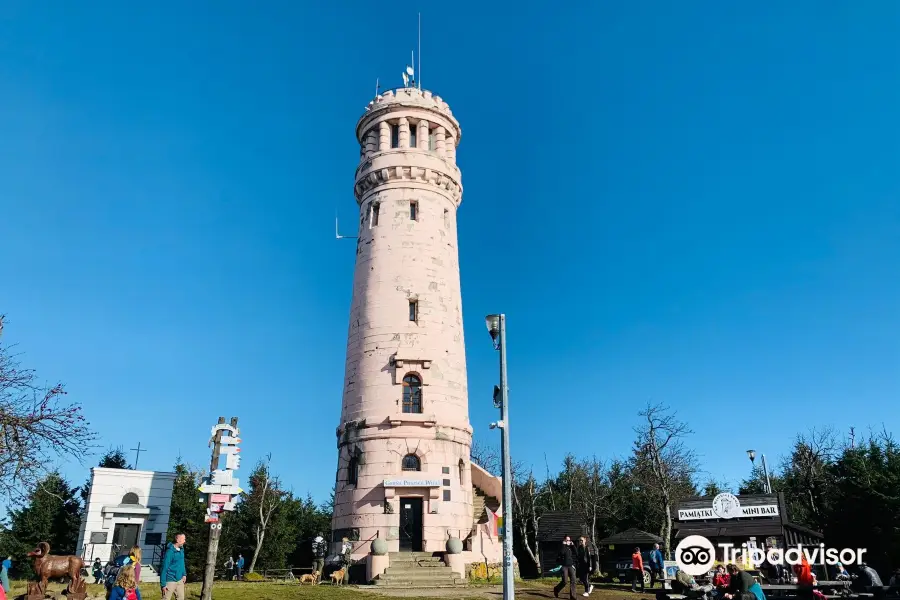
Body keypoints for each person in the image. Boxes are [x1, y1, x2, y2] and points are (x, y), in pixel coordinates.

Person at [160, 533, 187, 600]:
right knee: (166, 598)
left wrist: (184, 574)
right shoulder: (170, 552)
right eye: (183, 539)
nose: (185, 541)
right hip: (170, 580)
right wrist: (163, 584)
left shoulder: (181, 550)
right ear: (178, 540)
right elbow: (164, 567)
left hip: (180, 579)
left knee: (181, 598)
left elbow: (182, 563)